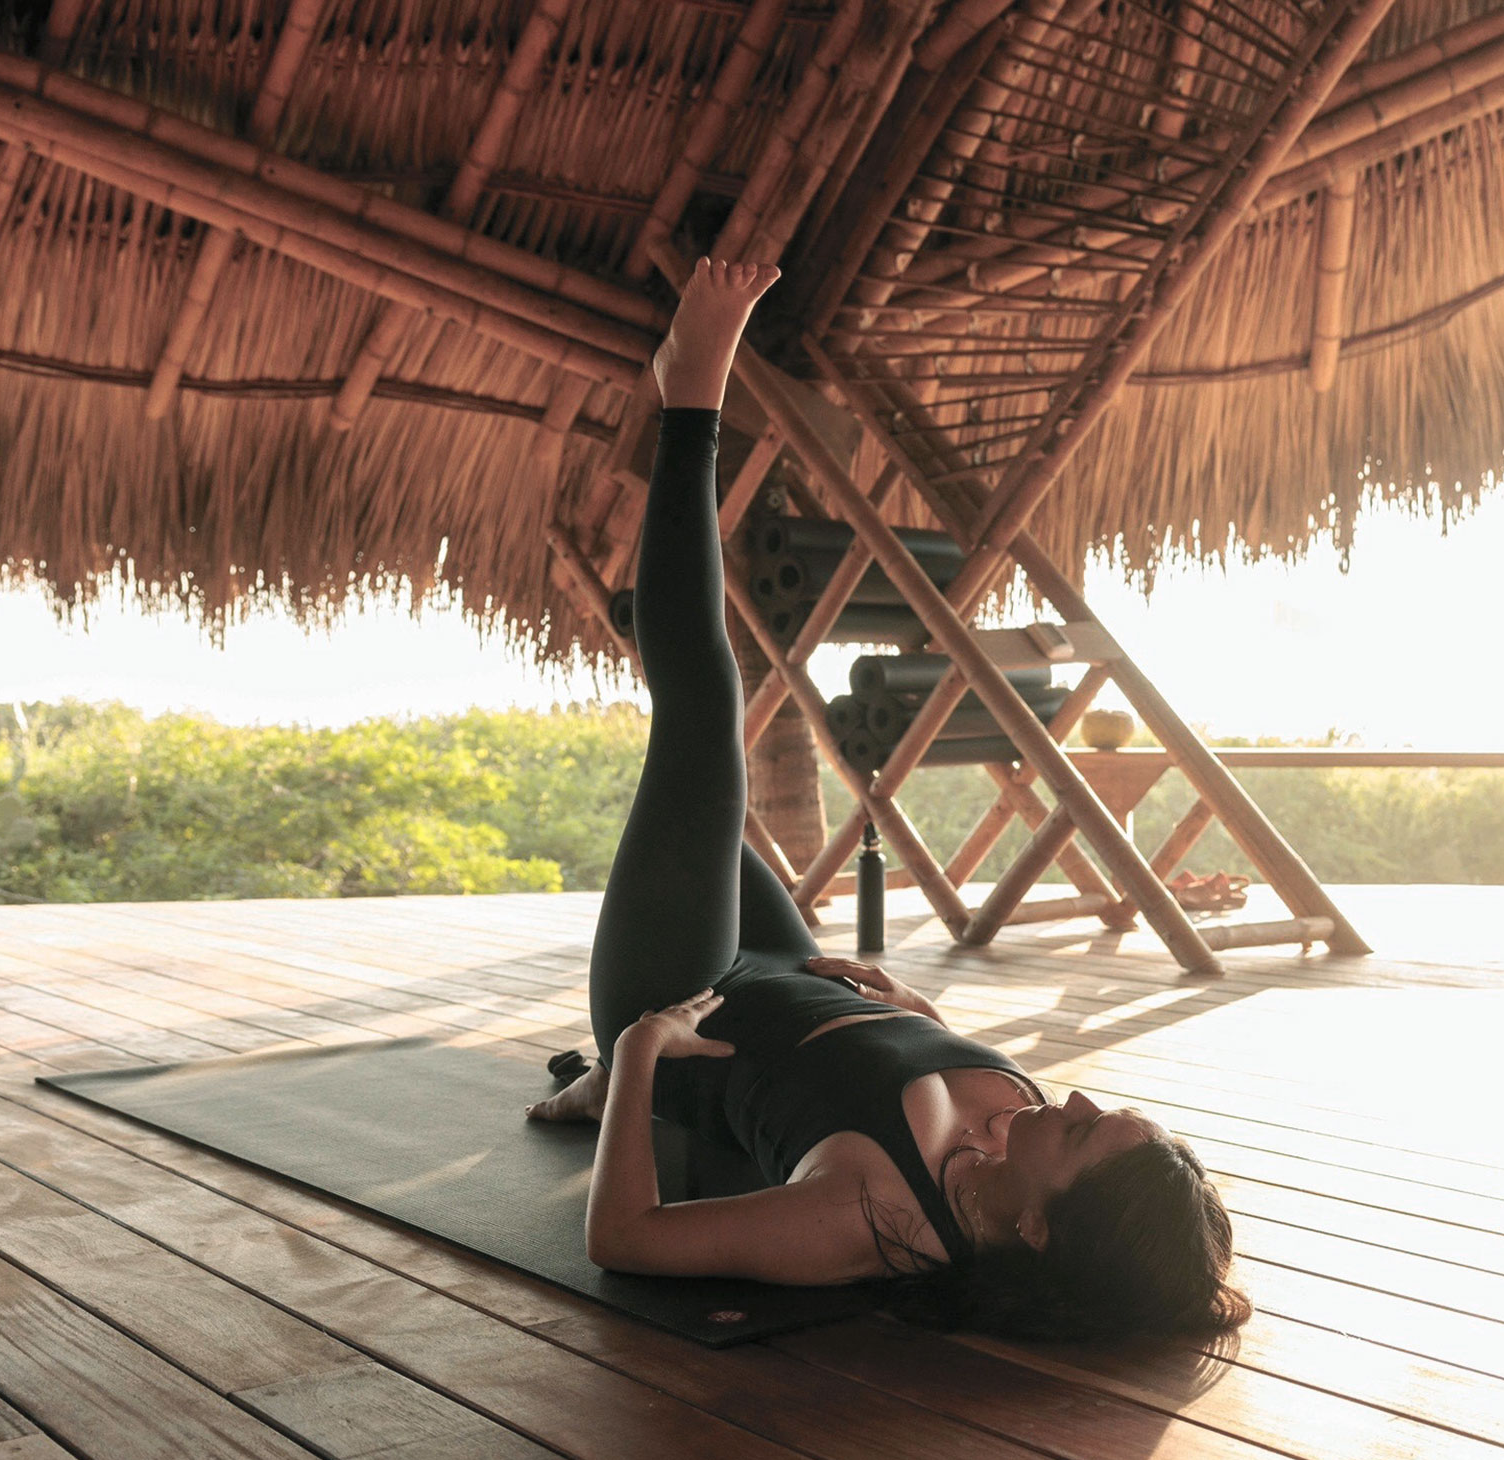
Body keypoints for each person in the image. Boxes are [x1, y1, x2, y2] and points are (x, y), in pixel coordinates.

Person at [526, 257, 1249, 1343]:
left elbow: (622, 1239)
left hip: (669, 997)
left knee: (701, 721)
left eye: (1095, 1134)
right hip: (780, 969)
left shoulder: (863, 1222)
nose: (1086, 1101)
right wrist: (907, 1014)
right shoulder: (1022, 1133)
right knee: (701, 782)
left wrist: (633, 1056)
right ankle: (584, 1087)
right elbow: (897, 1076)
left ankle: (692, 397)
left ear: (1045, 1232)